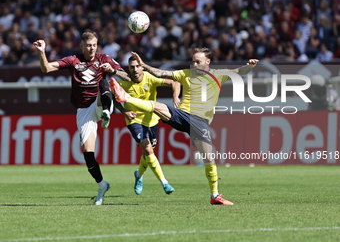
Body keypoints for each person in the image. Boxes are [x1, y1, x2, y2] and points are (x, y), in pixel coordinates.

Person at [110, 47, 259, 205]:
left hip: (200, 123)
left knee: (209, 157)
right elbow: (162, 73)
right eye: (193, 61)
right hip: (184, 115)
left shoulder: (218, 75)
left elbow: (238, 71)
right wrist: (144, 66)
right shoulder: (186, 74)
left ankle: (214, 196)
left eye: (198, 62)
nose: (195, 65)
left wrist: (249, 66)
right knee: (158, 106)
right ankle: (126, 98)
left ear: (208, 62)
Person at [33, 31, 130, 205]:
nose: (92, 48)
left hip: (100, 101)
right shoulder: (73, 61)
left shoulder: (104, 58)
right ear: (82, 46)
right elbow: (46, 68)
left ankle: (107, 111)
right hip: (84, 110)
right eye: (88, 45)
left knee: (104, 82)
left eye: (94, 45)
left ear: (97, 45)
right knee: (88, 154)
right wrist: (42, 52)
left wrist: (112, 70)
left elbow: (126, 76)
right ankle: (102, 185)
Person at [114, 55, 181, 195]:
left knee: (147, 154)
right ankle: (164, 182)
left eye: (137, 66)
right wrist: (124, 111)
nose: (135, 69)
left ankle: (138, 174)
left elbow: (175, 83)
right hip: (135, 121)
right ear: (129, 69)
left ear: (142, 67)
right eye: (132, 67)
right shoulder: (124, 83)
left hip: (152, 121)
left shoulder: (150, 78)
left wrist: (175, 97)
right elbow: (113, 99)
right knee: (149, 150)